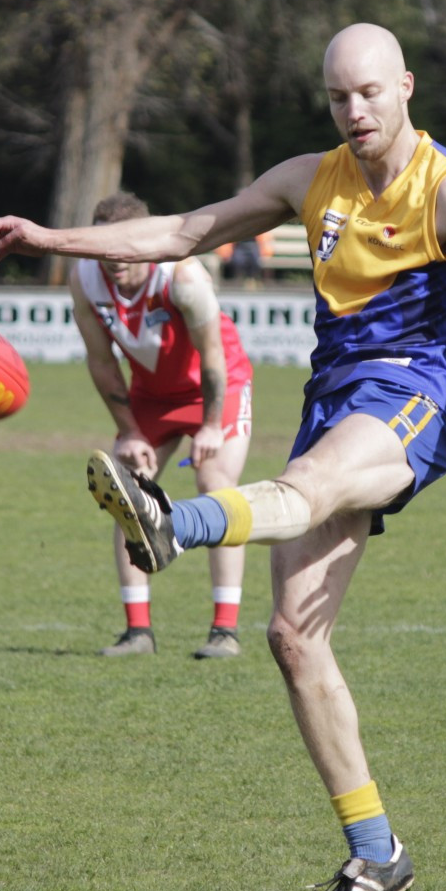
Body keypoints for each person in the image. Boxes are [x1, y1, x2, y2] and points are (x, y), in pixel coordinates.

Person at [0, 23, 446, 891]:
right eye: (340, 96)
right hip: (334, 396)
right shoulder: (310, 178)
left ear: (406, 87)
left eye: (370, 92)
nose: (355, 110)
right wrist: (48, 237)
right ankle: (378, 853)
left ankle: (171, 524)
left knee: (303, 492)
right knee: (293, 637)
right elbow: (185, 230)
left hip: (411, 399)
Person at [71, 191, 256, 659]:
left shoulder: (182, 274)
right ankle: (137, 632)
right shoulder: (84, 277)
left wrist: (212, 425)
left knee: (216, 484)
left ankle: (225, 631)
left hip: (218, 386)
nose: (111, 259)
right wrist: (129, 430)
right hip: (152, 394)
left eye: (122, 247)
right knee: (125, 491)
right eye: (102, 246)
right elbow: (101, 362)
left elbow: (213, 355)